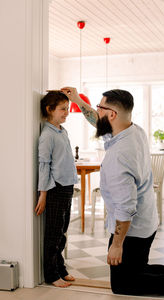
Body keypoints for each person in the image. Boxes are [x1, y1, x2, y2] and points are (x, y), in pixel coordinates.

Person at [61, 86, 164, 295]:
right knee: (138, 270)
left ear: (112, 114)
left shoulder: (119, 155)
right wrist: (78, 101)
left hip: (132, 230)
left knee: (123, 284)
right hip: (147, 220)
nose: (97, 111)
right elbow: (99, 123)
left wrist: (117, 244)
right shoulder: (132, 130)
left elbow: (125, 208)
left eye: (100, 108)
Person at [35, 91, 78, 288]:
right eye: (63, 109)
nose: (66, 113)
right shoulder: (47, 135)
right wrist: (43, 195)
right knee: (53, 234)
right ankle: (51, 275)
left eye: (67, 109)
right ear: (49, 109)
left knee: (62, 232)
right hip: (55, 189)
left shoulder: (62, 131)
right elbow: (44, 165)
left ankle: (60, 268)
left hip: (67, 186)